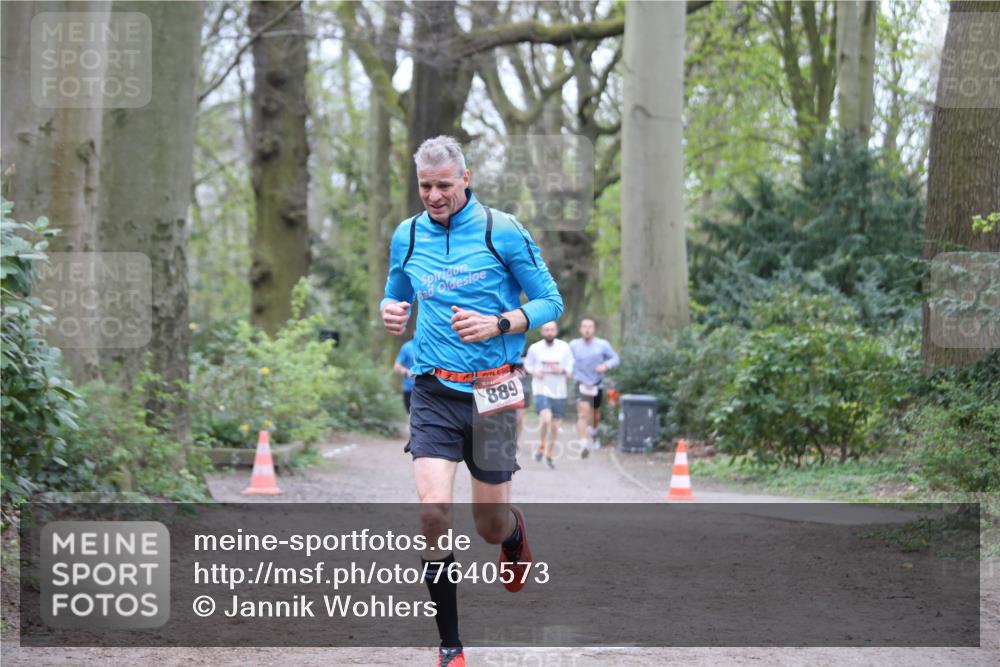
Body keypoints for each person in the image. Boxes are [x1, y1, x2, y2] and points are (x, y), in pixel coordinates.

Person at [381, 135, 563, 667]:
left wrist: (501, 322)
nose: (433, 196)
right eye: (424, 186)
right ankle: (451, 647)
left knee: (488, 524)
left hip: (496, 387)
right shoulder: (407, 235)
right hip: (434, 387)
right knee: (434, 511)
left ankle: (513, 534)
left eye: (443, 185)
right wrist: (392, 311)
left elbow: (553, 300)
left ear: (466, 179)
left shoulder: (501, 230)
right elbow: (396, 293)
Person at [524, 322, 573, 469]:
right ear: (542, 332)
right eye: (546, 330)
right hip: (541, 388)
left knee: (555, 427)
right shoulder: (535, 348)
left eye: (552, 330)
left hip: (559, 390)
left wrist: (562, 370)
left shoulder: (564, 347)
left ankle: (548, 454)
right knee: (546, 419)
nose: (549, 332)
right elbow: (528, 365)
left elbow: (570, 368)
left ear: (556, 331)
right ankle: (541, 445)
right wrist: (534, 372)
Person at [570, 318, 620, 458]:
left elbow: (615, 358)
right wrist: (567, 370)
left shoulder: (602, 345)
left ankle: (595, 432)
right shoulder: (573, 345)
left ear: (594, 329)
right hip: (580, 383)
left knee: (595, 414)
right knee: (583, 414)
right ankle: (583, 444)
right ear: (580, 329)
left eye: (590, 327)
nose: (587, 329)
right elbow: (565, 359)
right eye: (584, 326)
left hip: (597, 383)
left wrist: (606, 366)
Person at [394, 339, 416, 413]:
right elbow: (396, 366)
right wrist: (407, 372)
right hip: (410, 389)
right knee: (411, 416)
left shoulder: (431, 346)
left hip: (427, 389)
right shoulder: (407, 347)